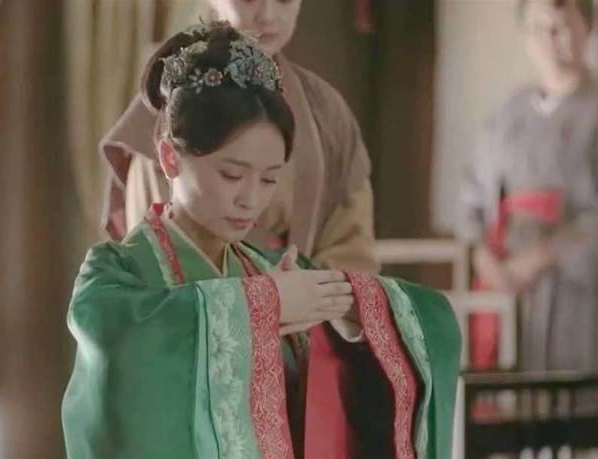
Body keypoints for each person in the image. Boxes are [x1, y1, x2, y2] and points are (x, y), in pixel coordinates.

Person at [62, 22, 461, 459]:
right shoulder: (114, 276)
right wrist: (262, 307)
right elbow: (121, 344)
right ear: (170, 158)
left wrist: (340, 308)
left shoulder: (273, 272)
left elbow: (432, 321)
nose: (250, 199)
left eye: (269, 178)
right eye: (231, 174)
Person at [100, 0, 376, 274]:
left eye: (284, 0)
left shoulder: (325, 108)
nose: (268, 15)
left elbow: (351, 245)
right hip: (199, 294)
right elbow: (160, 260)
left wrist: (305, 291)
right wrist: (258, 293)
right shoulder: (173, 107)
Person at [459, 0, 598, 373]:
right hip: (506, 277)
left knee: (573, 385)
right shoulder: (505, 115)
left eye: (560, 27)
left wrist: (546, 254)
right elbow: (472, 196)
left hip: (575, 286)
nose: (549, 38)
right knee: (508, 385)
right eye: (536, 28)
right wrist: (483, 256)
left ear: (586, 28)